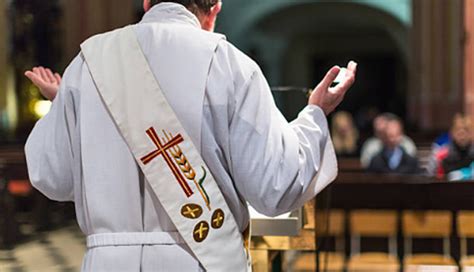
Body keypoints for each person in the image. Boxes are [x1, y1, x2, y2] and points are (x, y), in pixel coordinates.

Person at [24, 0, 357, 271]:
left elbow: (52, 176)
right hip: (198, 260)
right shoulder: (229, 63)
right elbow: (274, 187)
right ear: (215, 10)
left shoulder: (87, 64)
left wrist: (74, 104)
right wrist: (314, 114)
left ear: (146, 3)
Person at [440, 114, 474, 181]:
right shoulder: (441, 155)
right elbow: (433, 179)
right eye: (458, 129)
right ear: (452, 132)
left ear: (472, 133)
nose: (462, 133)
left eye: (466, 129)